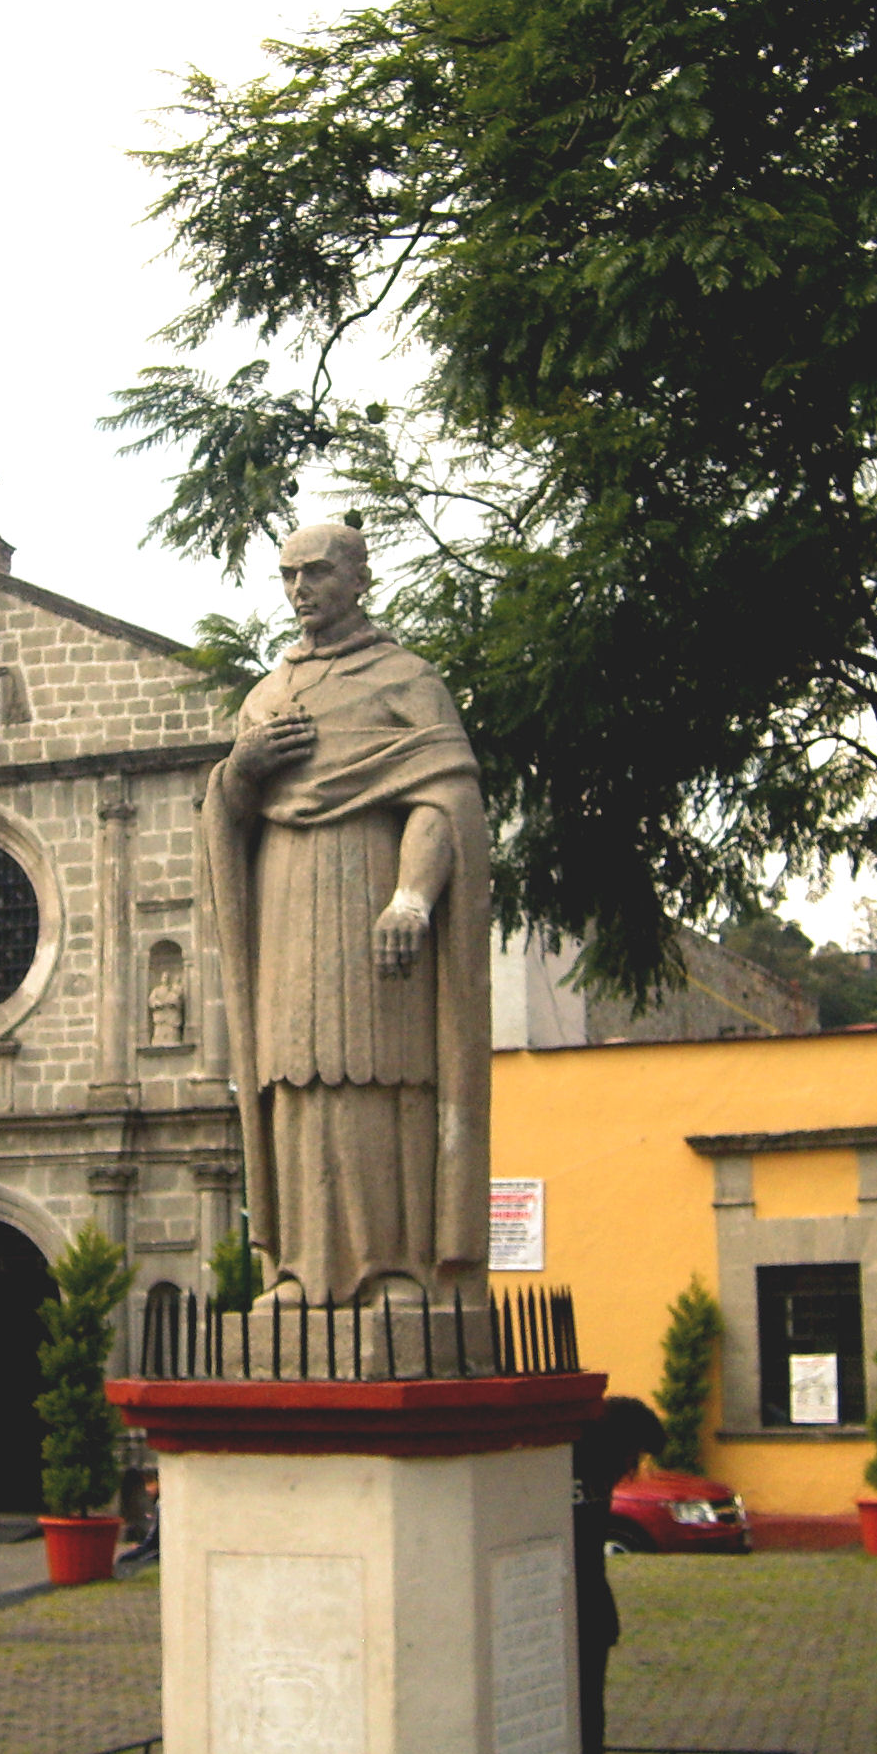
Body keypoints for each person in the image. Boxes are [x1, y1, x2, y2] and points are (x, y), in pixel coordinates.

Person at [201, 521, 493, 1306]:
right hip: (286, 906)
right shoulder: (266, 696)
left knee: (380, 1076)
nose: (301, 589)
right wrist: (241, 772)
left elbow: (445, 798)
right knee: (293, 1079)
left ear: (359, 578)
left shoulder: (406, 680)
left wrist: (412, 896)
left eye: (318, 573)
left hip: (373, 904)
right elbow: (229, 814)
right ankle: (298, 1269)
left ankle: (390, 1268)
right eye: (289, 575)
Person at [573, 1396, 667, 1754]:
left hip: (590, 1608)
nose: (634, 1466)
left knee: (587, 1708)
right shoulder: (580, 1465)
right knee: (584, 1708)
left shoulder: (590, 1467)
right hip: (581, 1606)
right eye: (635, 1454)